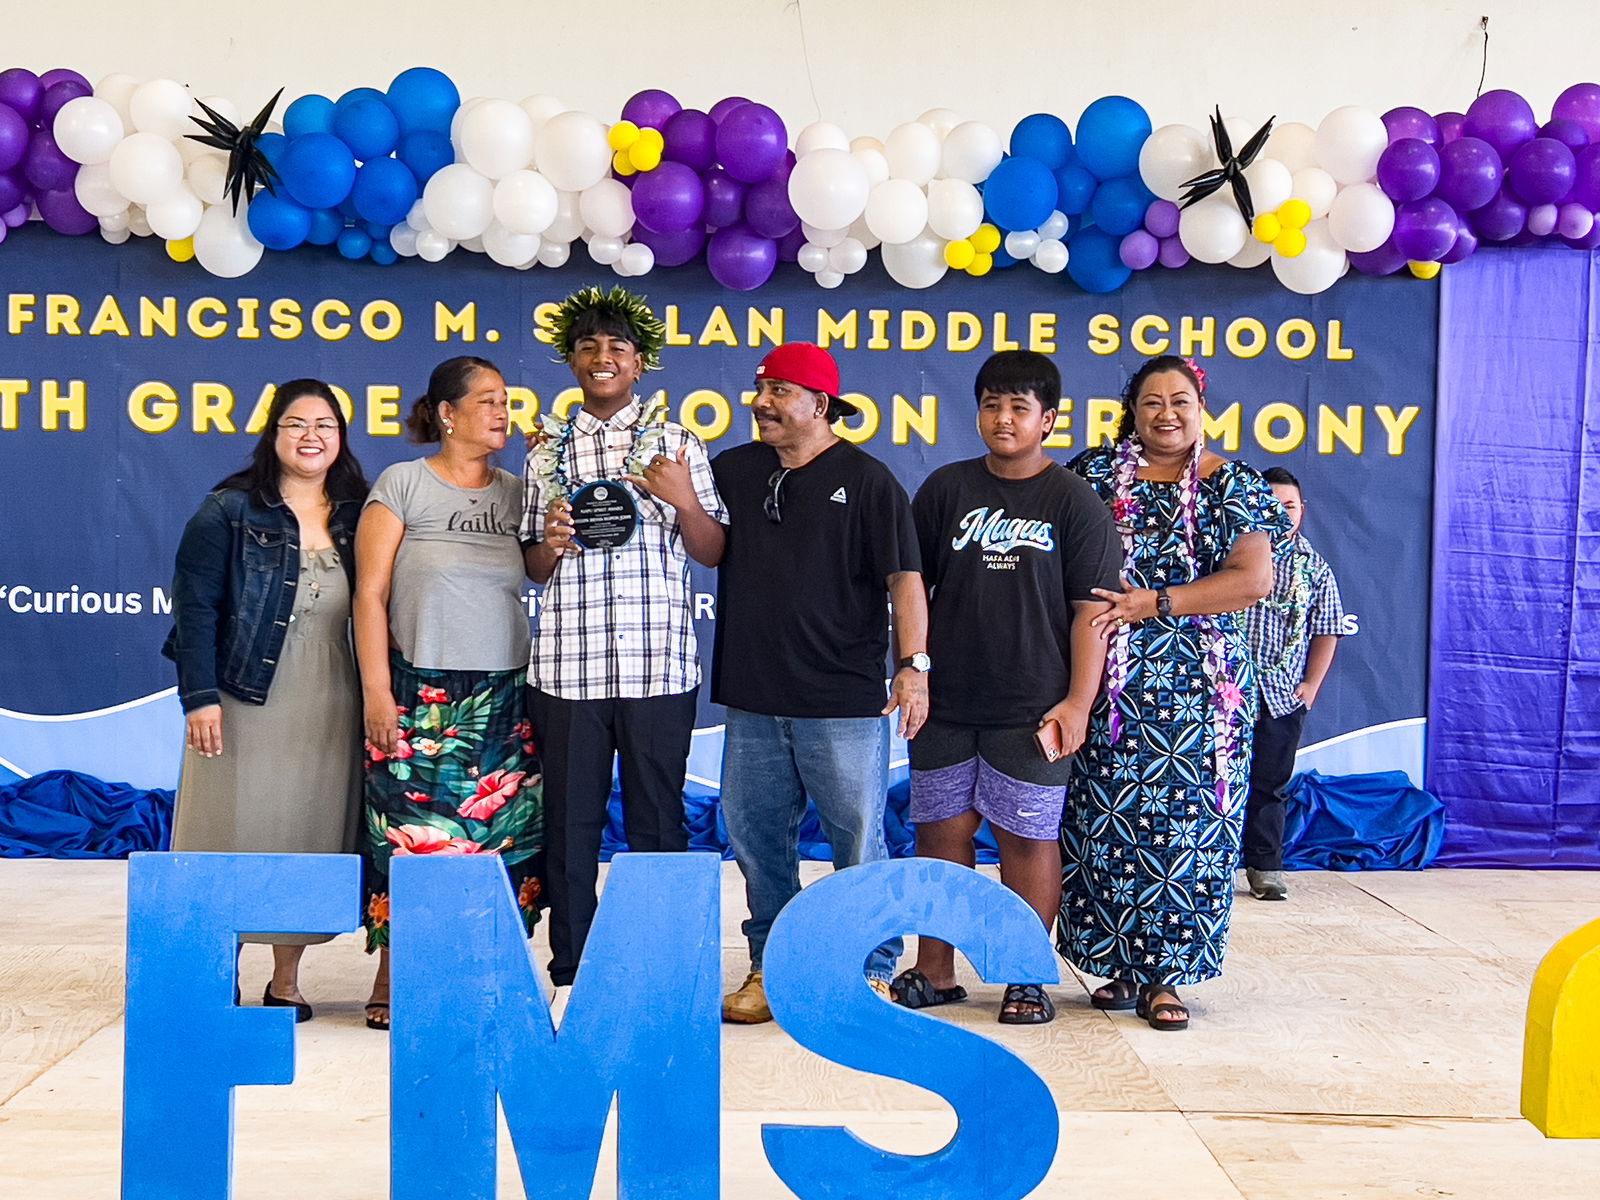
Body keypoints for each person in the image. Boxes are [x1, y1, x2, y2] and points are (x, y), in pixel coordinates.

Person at [1059, 355, 1288, 1031]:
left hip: (1198, 688)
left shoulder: (1234, 484)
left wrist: (1154, 602)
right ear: (1133, 409)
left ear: (1201, 408)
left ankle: (1165, 977)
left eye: (1180, 401)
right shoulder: (1094, 475)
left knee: (1188, 829)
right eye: (1152, 401)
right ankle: (1119, 963)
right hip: (1104, 677)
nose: (1167, 414)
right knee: (1106, 822)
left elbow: (1251, 580)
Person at [895, 350, 1122, 1025]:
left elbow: (1093, 612)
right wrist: (914, 667)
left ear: (1048, 419)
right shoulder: (945, 489)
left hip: (1034, 704)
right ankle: (934, 971)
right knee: (941, 832)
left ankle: (1025, 972)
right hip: (946, 701)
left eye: (1019, 407)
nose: (1003, 418)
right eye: (993, 404)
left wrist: (1079, 702)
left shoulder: (1074, 502)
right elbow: (913, 589)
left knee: (1025, 839)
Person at [712, 341, 929, 1025]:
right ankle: (769, 966)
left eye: (779, 391)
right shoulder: (737, 470)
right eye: (760, 388)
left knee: (857, 840)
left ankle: (867, 969)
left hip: (841, 699)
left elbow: (906, 581)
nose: (762, 403)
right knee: (755, 840)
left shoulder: (869, 482)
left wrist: (913, 666)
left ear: (820, 405)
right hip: (752, 696)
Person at [521, 285, 727, 989]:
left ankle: (662, 957)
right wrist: (547, 543)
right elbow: (532, 562)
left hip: (656, 665)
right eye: (588, 346)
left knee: (657, 823)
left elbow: (711, 549)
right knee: (570, 824)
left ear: (641, 364)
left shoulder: (676, 444)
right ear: (571, 361)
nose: (602, 357)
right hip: (566, 668)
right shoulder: (546, 452)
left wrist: (686, 500)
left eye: (617, 347)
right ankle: (574, 960)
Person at [164, 378, 369, 1023]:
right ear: (272, 434)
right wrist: (199, 697)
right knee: (224, 825)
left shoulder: (360, 512)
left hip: (333, 696)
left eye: (325, 426)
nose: (311, 436)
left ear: (340, 438)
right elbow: (195, 608)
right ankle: (211, 966)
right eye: (296, 424)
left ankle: (285, 981)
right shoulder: (227, 509)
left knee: (304, 832)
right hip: (243, 692)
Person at [355, 355, 543, 1032]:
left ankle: (492, 972)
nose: (503, 413)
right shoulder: (403, 483)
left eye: (506, 401)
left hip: (504, 692)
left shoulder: (519, 493)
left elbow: (544, 564)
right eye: (488, 401)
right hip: (417, 690)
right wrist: (377, 689)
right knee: (409, 837)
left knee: (498, 835)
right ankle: (391, 971)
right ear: (446, 412)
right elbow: (369, 596)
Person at [1240, 466, 1345, 901]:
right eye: (1270, 506)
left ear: (1303, 510)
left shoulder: (1314, 567)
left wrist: (1311, 685)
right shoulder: (1230, 553)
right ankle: (1201, 869)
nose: (1280, 515)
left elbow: (1329, 627)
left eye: (1288, 506)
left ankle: (1265, 868)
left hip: (1280, 697)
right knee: (1207, 782)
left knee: (1269, 784)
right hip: (1222, 691)